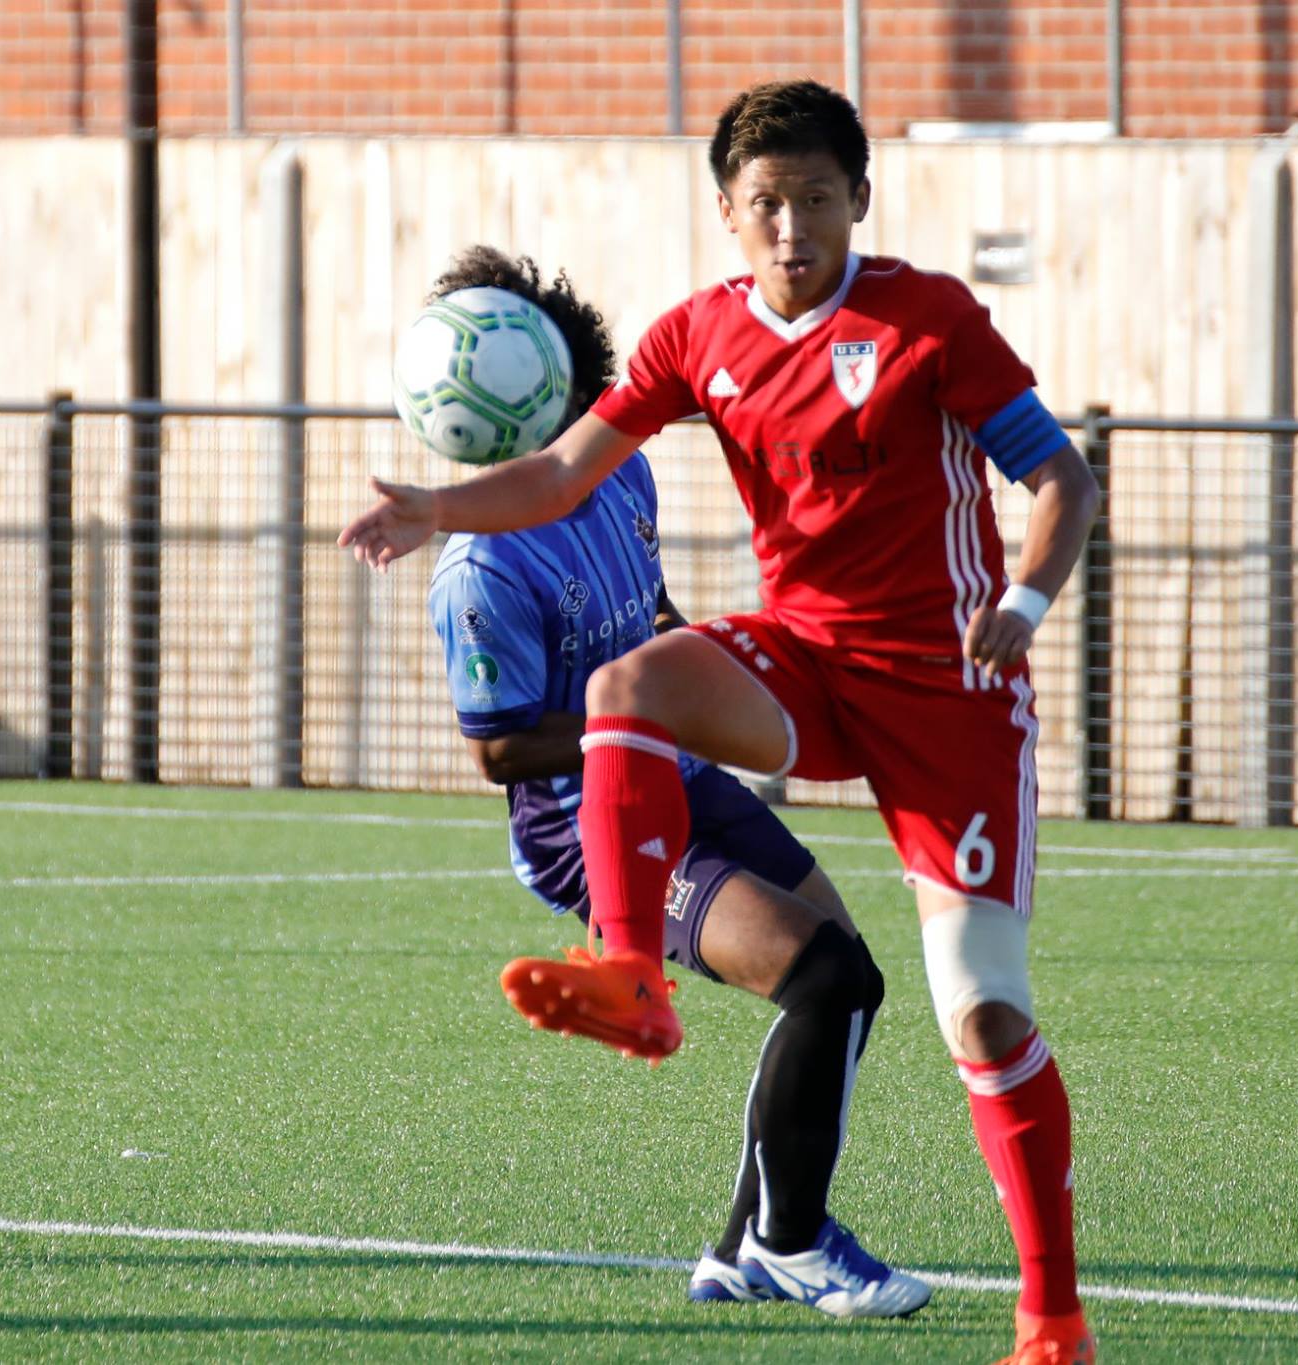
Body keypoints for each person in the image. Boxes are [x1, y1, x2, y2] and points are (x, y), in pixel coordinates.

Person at [342, 84, 1099, 1365]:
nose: (790, 227)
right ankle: (631, 978)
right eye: (764, 205)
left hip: (949, 697)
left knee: (981, 1014)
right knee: (621, 692)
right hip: (803, 657)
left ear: (858, 199)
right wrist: (436, 506)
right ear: (725, 215)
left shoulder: (927, 320)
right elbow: (561, 467)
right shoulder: (697, 334)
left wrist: (1024, 598)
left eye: (813, 198)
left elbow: (1058, 477)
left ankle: (1050, 1315)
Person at [415, 245, 929, 1319]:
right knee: (821, 978)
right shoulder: (478, 569)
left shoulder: (616, 473)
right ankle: (793, 1244)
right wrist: (632, 724)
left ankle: (744, 1248)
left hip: (684, 775)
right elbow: (500, 752)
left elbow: (655, 620)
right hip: (581, 823)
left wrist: (718, 693)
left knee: (850, 985)